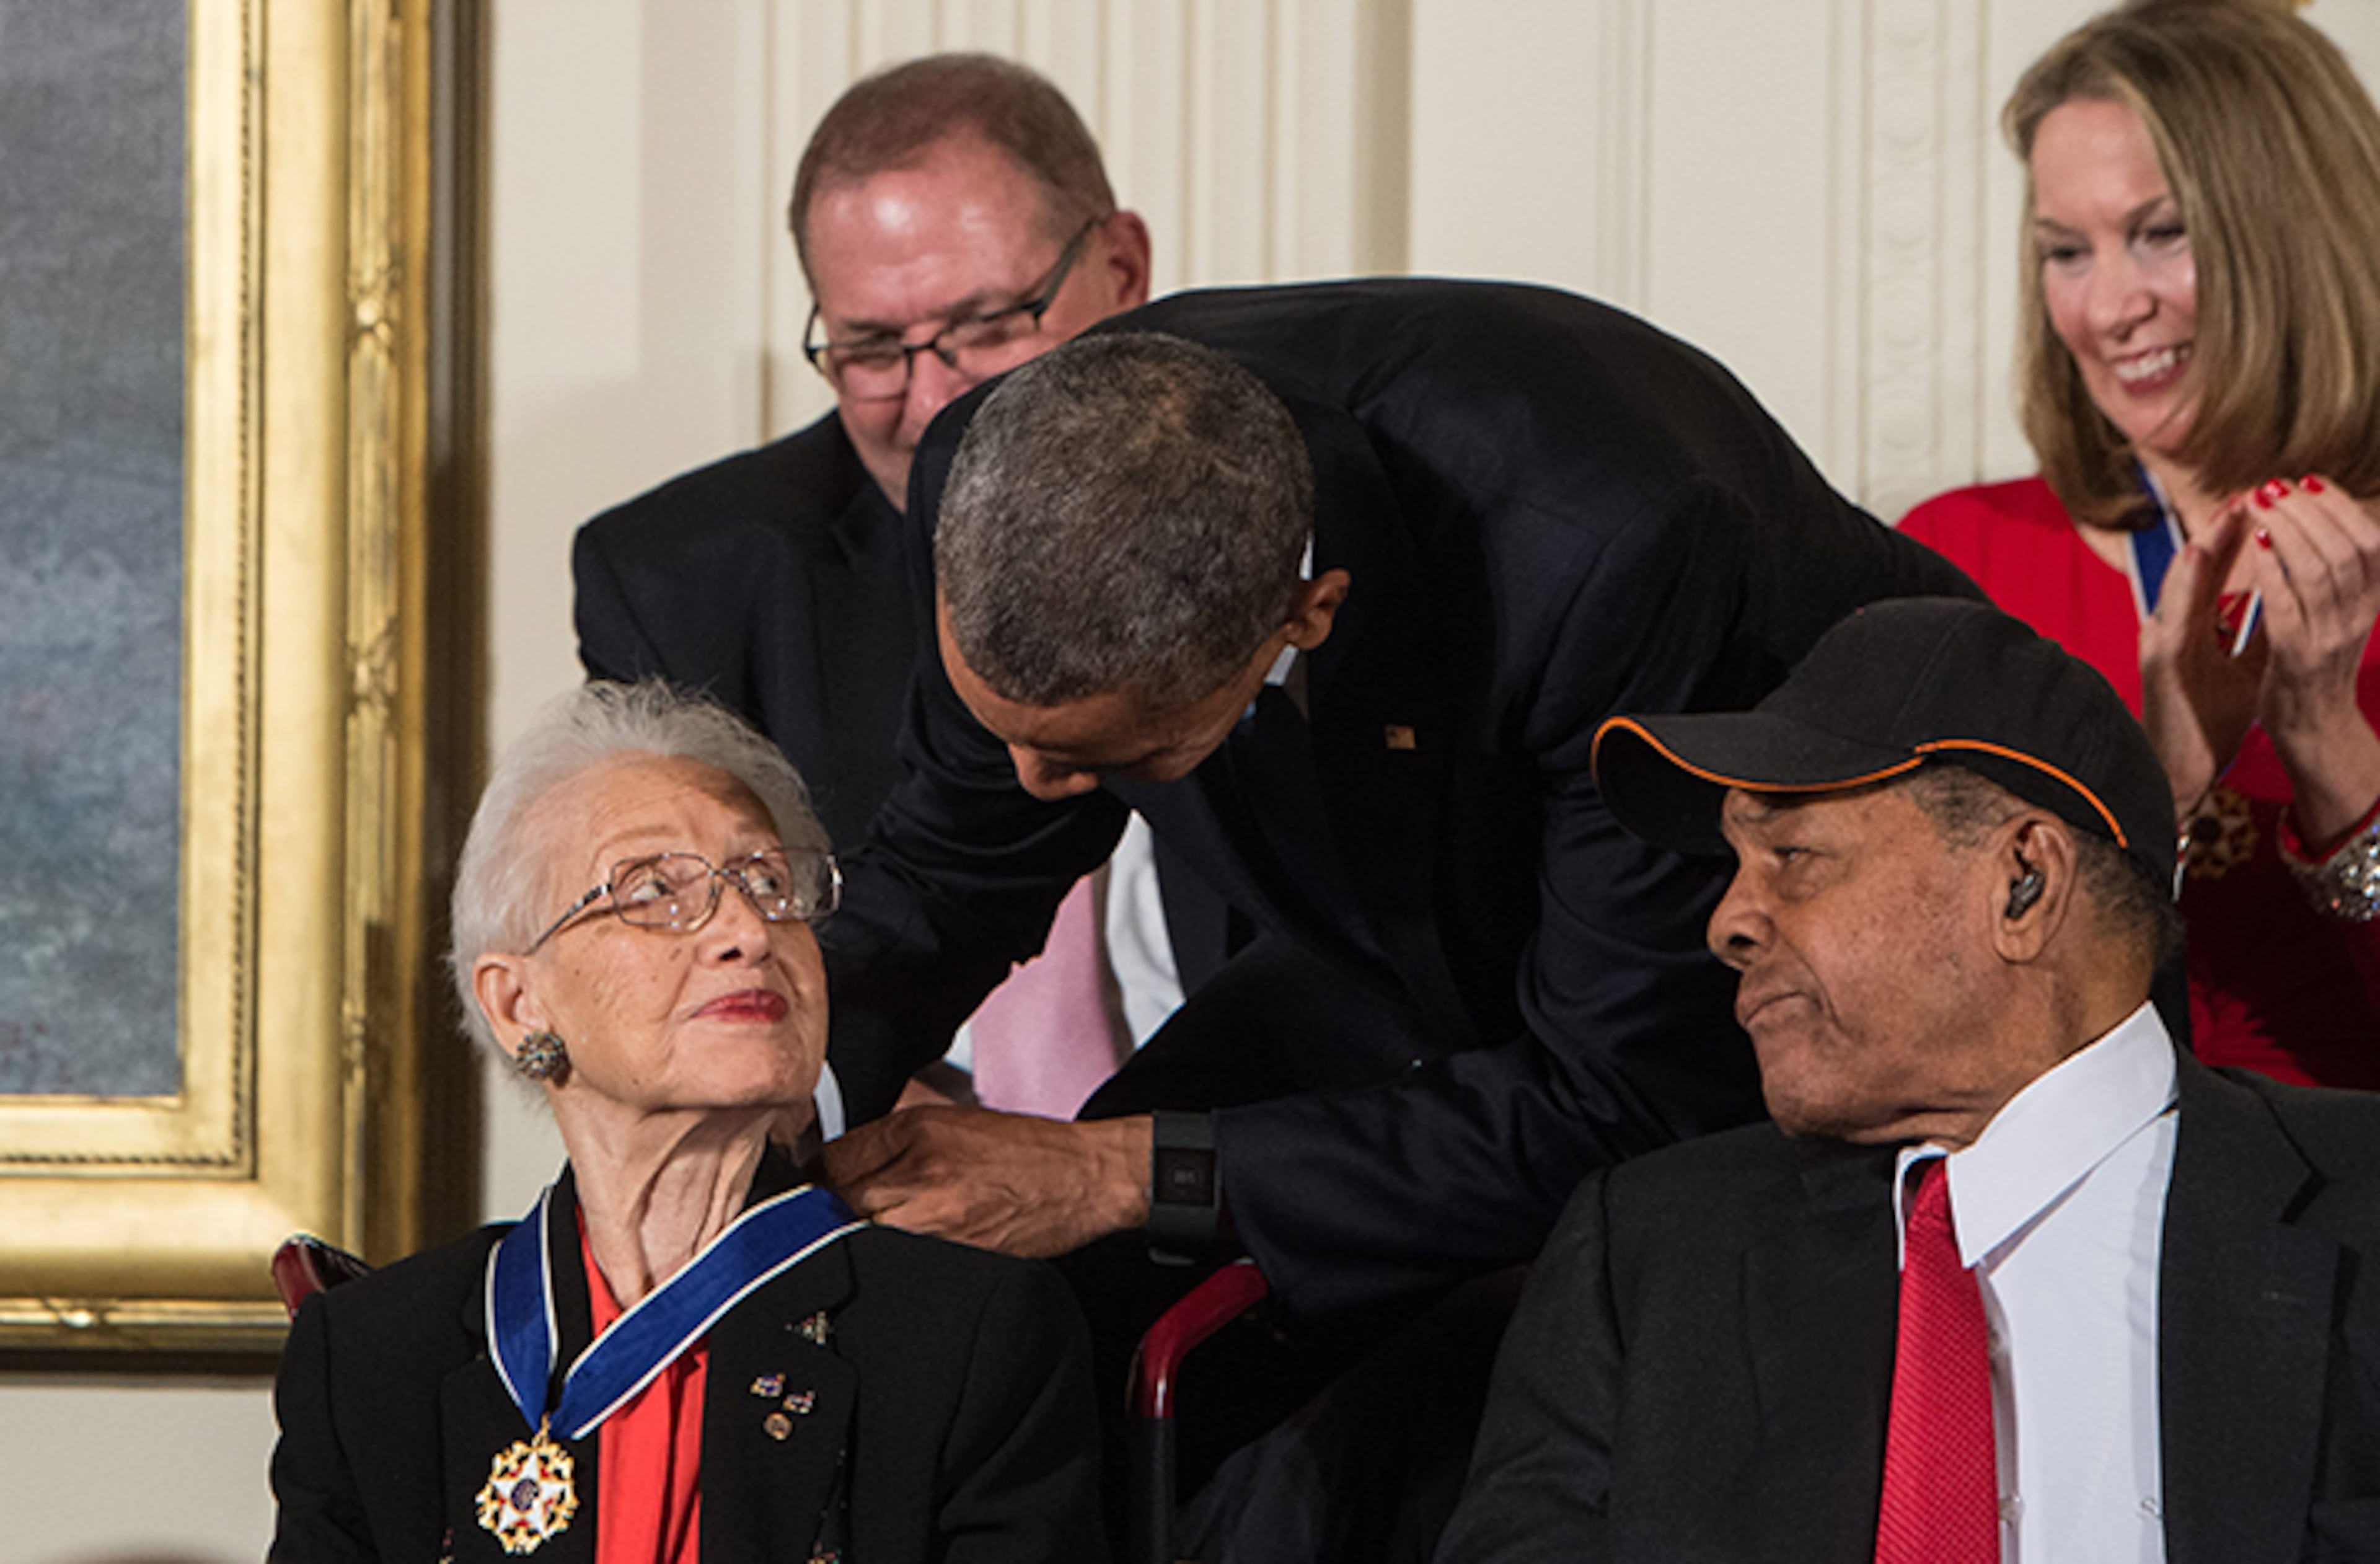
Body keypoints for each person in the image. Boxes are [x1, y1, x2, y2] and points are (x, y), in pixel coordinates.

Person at [814, 283, 1978, 1316]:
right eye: (1004, 727)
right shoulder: (987, 470)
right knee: (1042, 1301)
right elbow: (947, 870)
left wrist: (1116, 1173)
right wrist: (769, 1101)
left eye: (1115, 759)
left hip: (1772, 974)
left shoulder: (1610, 547)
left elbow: (1615, 1096)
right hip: (1390, 932)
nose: (1031, 786)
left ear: (1303, 615)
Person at [1437, 596, 2380, 1563]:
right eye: (1734, 866)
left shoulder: (2361, 1203)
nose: (1728, 923)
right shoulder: (1644, 1265)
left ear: (2025, 882)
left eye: (1793, 856)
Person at [267, 681, 1105, 1562]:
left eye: (769, 883)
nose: (745, 928)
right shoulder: (369, 1358)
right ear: (519, 1005)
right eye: (652, 891)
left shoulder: (970, 1339)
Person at [572, 55, 1210, 1116]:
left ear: (1124, 269)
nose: (932, 405)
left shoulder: (1288, 498)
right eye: (873, 349)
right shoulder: (687, 581)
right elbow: (664, 993)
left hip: (1260, 1184)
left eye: (988, 328)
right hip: (893, 1191)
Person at [1898, 0, 2380, 1087]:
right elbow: (1907, 1016)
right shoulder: (1959, 560)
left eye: (2162, 234)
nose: (2111, 305)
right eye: (2067, 251)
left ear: (2294, 233)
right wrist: (2153, 788)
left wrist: (2328, 744)